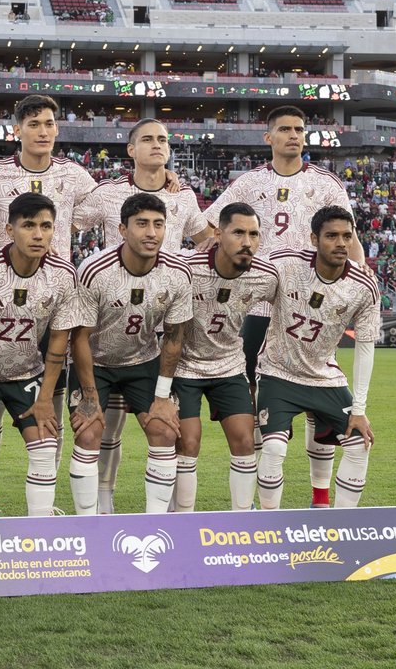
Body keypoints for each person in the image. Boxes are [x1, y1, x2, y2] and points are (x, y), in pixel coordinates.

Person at [203, 105, 365, 509]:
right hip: (257, 306)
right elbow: (210, 226)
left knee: (317, 398)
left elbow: (350, 237)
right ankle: (259, 497)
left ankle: (320, 498)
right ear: (268, 137)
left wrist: (360, 275)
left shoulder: (326, 183)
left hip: (313, 309)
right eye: (285, 129)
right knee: (260, 400)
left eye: (300, 129)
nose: (294, 135)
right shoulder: (250, 182)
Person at [74, 117, 211, 515]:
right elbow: (65, 218)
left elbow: (206, 245)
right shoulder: (107, 193)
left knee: (162, 428)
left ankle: (159, 519)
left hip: (148, 329)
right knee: (103, 429)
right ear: (130, 150)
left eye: (163, 140)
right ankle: (101, 507)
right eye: (147, 139)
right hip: (104, 316)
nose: (157, 145)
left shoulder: (183, 196)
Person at [0, 95, 97, 478]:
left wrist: (165, 179)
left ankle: (47, 488)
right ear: (17, 131)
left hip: (54, 301)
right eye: (34, 124)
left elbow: (111, 204)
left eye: (49, 124)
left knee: (50, 401)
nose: (43, 131)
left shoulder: (74, 176)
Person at [0, 193, 80, 517]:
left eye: (46, 226)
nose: (38, 234)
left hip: (26, 373)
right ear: (9, 230)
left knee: (46, 446)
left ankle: (39, 529)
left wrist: (46, 398)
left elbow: (58, 344)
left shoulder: (64, 275)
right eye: (29, 226)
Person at [68, 193, 193, 515]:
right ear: (122, 229)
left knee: (165, 430)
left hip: (143, 360)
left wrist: (163, 396)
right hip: (95, 362)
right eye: (142, 224)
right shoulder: (95, 269)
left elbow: (175, 337)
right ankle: (87, 522)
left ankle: (155, 521)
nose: (151, 232)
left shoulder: (178, 272)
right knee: (89, 430)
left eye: (158, 224)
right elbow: (78, 337)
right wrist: (90, 396)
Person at [255, 205, 380, 510]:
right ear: (314, 239)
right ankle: (267, 528)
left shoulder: (364, 286)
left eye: (347, 236)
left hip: (325, 375)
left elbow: (365, 348)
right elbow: (245, 284)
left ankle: (337, 524)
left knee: (359, 443)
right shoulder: (285, 264)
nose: (341, 243)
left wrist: (359, 409)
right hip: (277, 371)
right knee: (272, 448)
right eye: (332, 236)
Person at [173, 203, 279, 511]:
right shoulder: (186, 269)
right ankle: (182, 519)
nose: (247, 242)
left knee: (245, 441)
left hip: (229, 365)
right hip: (185, 366)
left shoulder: (266, 276)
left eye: (254, 234)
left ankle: (242, 519)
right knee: (188, 443)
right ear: (218, 234)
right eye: (238, 233)